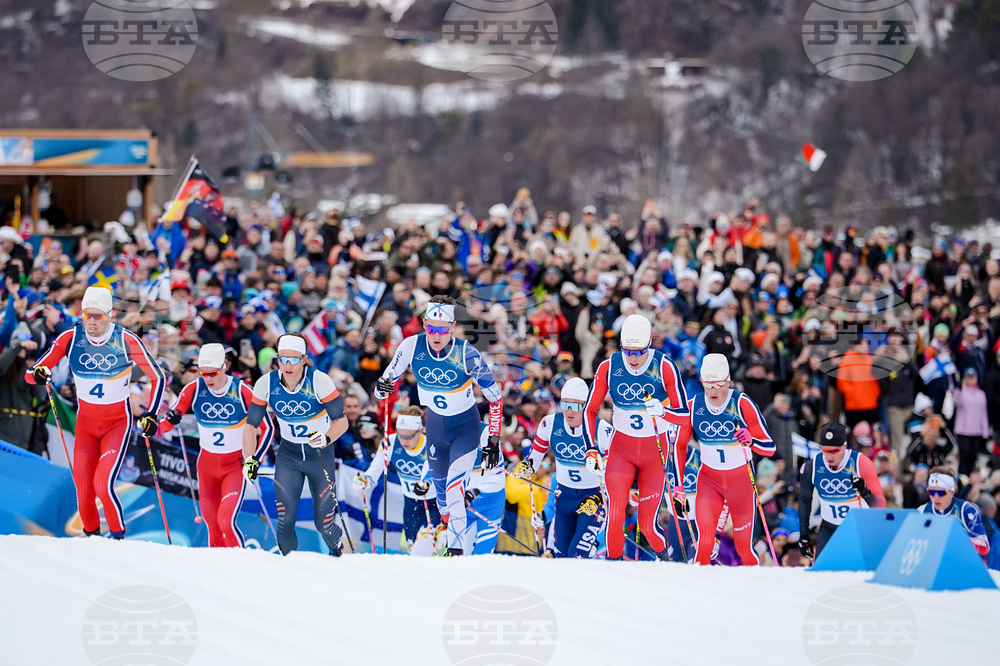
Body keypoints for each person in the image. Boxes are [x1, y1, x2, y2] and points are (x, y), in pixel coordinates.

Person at [26, 286, 165, 539]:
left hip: (116, 424)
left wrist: (151, 414)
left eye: (97, 316)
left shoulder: (126, 340)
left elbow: (157, 376)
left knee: (103, 483)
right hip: (86, 425)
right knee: (83, 488)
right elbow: (33, 372)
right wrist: (38, 374)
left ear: (110, 315)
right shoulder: (70, 338)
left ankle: (118, 539)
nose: (91, 321)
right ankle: (91, 542)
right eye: (87, 315)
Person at [374, 296, 504, 556]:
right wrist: (382, 387)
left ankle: (455, 554)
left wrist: (492, 439)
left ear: (452, 327)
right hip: (434, 428)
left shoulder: (466, 353)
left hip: (465, 428)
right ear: (423, 324)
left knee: (456, 490)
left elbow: (495, 397)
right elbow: (382, 388)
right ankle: (447, 529)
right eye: (431, 328)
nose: (436, 335)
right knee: (443, 502)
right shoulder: (411, 346)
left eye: (442, 329)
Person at [584, 314, 690, 560]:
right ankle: (614, 568)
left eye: (639, 352)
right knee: (616, 512)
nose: (632, 358)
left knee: (647, 525)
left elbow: (684, 416)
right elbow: (589, 410)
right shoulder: (609, 366)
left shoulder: (664, 366)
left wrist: (665, 412)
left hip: (654, 453)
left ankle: (665, 559)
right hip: (622, 450)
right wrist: (591, 449)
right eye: (627, 351)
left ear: (649, 346)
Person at [242, 334, 349, 556]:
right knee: (284, 520)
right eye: (283, 359)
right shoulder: (266, 383)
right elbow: (251, 425)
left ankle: (337, 553)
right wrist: (250, 458)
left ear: (305, 359)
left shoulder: (319, 380)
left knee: (325, 525)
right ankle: (290, 569)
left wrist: (327, 437)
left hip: (319, 456)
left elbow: (342, 421)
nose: (287, 365)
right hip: (289, 456)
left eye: (293, 359)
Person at [159, 343, 273, 547]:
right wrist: (160, 422)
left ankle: (240, 565)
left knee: (225, 521)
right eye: (203, 373)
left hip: (234, 466)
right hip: (207, 466)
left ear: (224, 367)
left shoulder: (242, 390)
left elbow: (267, 428)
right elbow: (167, 422)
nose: (208, 378)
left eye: (213, 373)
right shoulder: (193, 388)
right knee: (211, 524)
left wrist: (255, 459)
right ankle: (218, 574)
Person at [674, 353, 775, 565]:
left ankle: (757, 590)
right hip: (709, 481)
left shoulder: (742, 403)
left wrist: (751, 441)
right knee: (705, 543)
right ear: (701, 381)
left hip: (741, 482)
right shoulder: (694, 406)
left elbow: (770, 448)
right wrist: (679, 485)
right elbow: (680, 445)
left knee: (743, 548)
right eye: (708, 384)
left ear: (728, 381)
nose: (713, 390)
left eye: (719, 384)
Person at [518, 377, 613, 558]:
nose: (569, 411)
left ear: (586, 406)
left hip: (592, 499)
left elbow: (617, 466)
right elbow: (536, 453)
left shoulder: (602, 429)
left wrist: (599, 495)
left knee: (577, 554)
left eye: (576, 406)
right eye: (565, 404)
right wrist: (528, 466)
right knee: (561, 558)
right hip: (564, 497)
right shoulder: (550, 423)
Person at [354, 406, 440, 549]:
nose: (404, 441)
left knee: (433, 548)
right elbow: (374, 471)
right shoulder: (391, 442)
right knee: (410, 547)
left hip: (434, 503)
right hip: (410, 504)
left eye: (409, 436)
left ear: (420, 431)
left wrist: (428, 483)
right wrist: (364, 480)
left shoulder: (431, 444)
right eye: (400, 435)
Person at [796, 422, 885, 561]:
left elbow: (880, 504)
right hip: (829, 528)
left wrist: (865, 492)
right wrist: (804, 534)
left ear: (844, 447)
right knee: (821, 575)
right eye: (825, 450)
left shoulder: (860, 463)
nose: (829, 456)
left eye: (834, 451)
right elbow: (805, 500)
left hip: (857, 530)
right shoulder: (812, 466)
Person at [918, 466, 990, 559]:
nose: (936, 497)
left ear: (952, 491)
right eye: (932, 492)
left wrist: (960, 539)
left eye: (941, 493)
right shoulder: (922, 510)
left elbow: (985, 547)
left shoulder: (966, 509)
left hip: (961, 564)